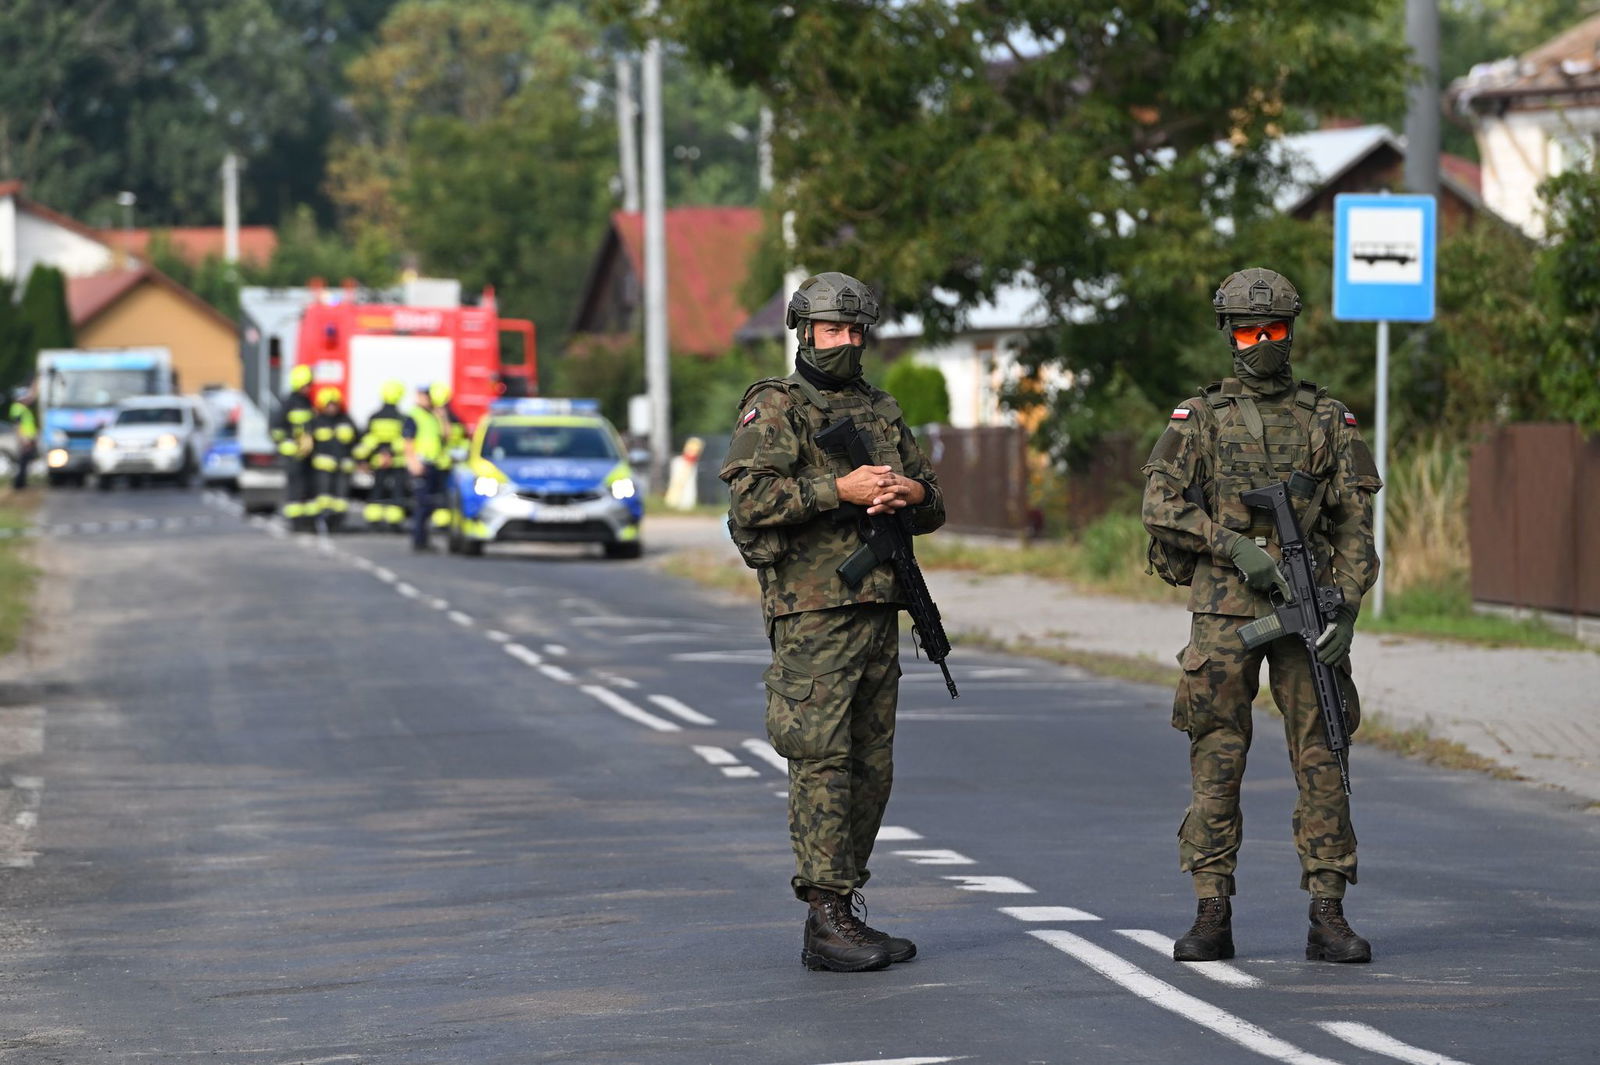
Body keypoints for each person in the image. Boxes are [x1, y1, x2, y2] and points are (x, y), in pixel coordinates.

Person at [1141, 268, 1383, 964]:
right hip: (1225, 608)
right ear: (1228, 332)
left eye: (1274, 328)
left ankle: (1328, 909)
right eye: (1249, 329)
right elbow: (1159, 504)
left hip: (1310, 612)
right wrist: (1232, 545)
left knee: (1324, 755)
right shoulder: (1202, 417)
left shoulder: (1327, 420)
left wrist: (1350, 607)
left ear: (1291, 330)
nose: (1261, 342)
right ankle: (1211, 907)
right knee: (1217, 754)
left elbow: (1354, 528)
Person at [720, 272, 947, 973]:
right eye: (832, 329)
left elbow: (932, 501)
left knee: (870, 769)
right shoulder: (776, 406)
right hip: (815, 614)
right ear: (804, 331)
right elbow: (749, 505)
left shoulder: (880, 407)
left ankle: (845, 906)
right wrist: (836, 489)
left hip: (880, 610)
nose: (845, 341)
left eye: (855, 330)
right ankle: (824, 916)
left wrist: (909, 491)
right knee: (821, 763)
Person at [355, 380, 409, 532]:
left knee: (377, 488)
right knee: (397, 490)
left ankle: (374, 518)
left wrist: (363, 459)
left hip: (378, 460)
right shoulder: (401, 418)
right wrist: (390, 453)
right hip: (397, 461)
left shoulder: (375, 416)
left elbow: (368, 440)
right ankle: (394, 520)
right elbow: (404, 440)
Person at [402, 384, 451, 551]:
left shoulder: (433, 415)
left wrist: (443, 417)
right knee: (422, 505)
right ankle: (418, 541)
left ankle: (424, 540)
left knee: (430, 504)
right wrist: (413, 463)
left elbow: (446, 436)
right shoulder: (414, 415)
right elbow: (408, 442)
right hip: (421, 465)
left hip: (434, 464)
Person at [271, 365, 317, 531]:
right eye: (306, 384)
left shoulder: (307, 403)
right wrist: (290, 445)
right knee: (295, 488)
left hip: (307, 454)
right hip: (293, 455)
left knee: (308, 487)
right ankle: (296, 521)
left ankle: (308, 520)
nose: (309, 388)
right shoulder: (288, 403)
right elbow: (276, 429)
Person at [308, 386, 357, 532]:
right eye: (328, 404)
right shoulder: (317, 422)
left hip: (343, 467)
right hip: (323, 468)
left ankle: (338, 522)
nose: (332, 408)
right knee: (323, 497)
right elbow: (310, 445)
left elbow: (356, 440)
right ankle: (323, 521)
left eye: (334, 404)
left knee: (341, 499)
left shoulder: (346, 420)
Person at [8, 386, 37, 491]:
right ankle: (19, 484)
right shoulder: (18, 408)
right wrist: (24, 440)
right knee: (22, 462)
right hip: (24, 439)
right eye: (25, 397)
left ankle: (21, 483)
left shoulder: (22, 408)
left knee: (25, 461)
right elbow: (18, 426)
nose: (27, 399)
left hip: (27, 438)